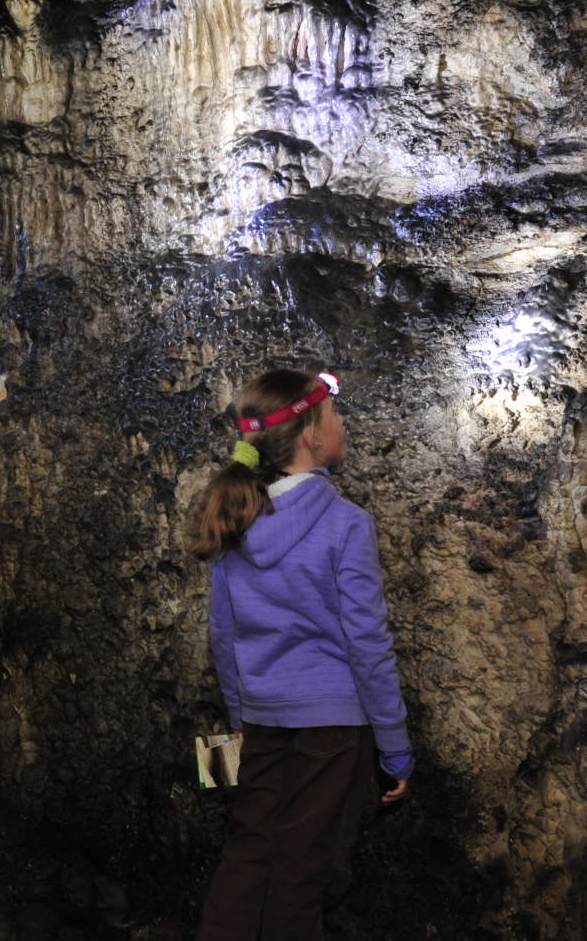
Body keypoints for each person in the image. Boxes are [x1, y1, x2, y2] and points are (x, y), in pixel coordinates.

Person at [190, 368, 413, 941]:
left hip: (256, 718)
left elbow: (223, 634)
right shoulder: (347, 524)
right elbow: (368, 644)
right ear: (312, 434)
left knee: (246, 847)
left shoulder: (235, 521)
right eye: (335, 414)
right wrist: (395, 747)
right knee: (304, 865)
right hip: (332, 728)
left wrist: (238, 724)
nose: (343, 423)